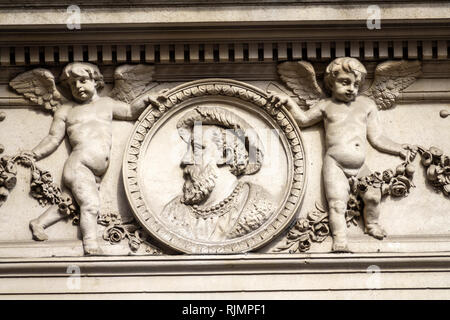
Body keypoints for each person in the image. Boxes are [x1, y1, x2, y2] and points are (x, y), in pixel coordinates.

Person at [270, 57, 413, 252]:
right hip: (335, 163)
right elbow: (303, 120)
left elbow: (377, 137)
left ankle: (371, 224)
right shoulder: (325, 106)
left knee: (373, 196)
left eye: (356, 84)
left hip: (360, 165)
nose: (351, 88)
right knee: (337, 204)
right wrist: (288, 102)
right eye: (345, 82)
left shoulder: (366, 105)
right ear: (330, 82)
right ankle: (340, 240)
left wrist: (399, 148)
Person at [23, 62, 153, 255]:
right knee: (90, 205)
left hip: (93, 170)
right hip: (79, 165)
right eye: (72, 84)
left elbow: (129, 112)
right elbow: (53, 138)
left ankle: (38, 223)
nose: (78, 87)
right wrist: (33, 154)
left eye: (83, 81)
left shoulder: (106, 104)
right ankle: (90, 244)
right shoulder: (66, 110)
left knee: (67, 204)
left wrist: (148, 100)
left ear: (96, 81)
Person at [161, 106, 275, 241]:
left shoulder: (260, 205)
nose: (185, 159)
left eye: (196, 149)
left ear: (226, 155)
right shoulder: (173, 212)